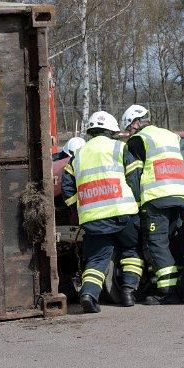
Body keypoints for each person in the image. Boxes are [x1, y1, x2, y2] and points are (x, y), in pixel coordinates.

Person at [61, 112, 143, 313]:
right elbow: (134, 177)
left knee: (97, 259)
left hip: (93, 219)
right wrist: (138, 203)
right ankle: (128, 293)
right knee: (131, 251)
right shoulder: (120, 147)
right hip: (123, 213)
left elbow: (67, 188)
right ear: (111, 130)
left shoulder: (78, 154)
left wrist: (78, 208)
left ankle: (88, 294)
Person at [121, 104, 184, 305]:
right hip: (179, 196)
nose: (129, 133)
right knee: (164, 245)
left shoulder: (138, 140)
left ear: (136, 123)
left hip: (156, 198)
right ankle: (162, 285)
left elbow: (134, 174)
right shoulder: (169, 135)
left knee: (155, 244)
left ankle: (167, 292)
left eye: (130, 128)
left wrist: (136, 200)